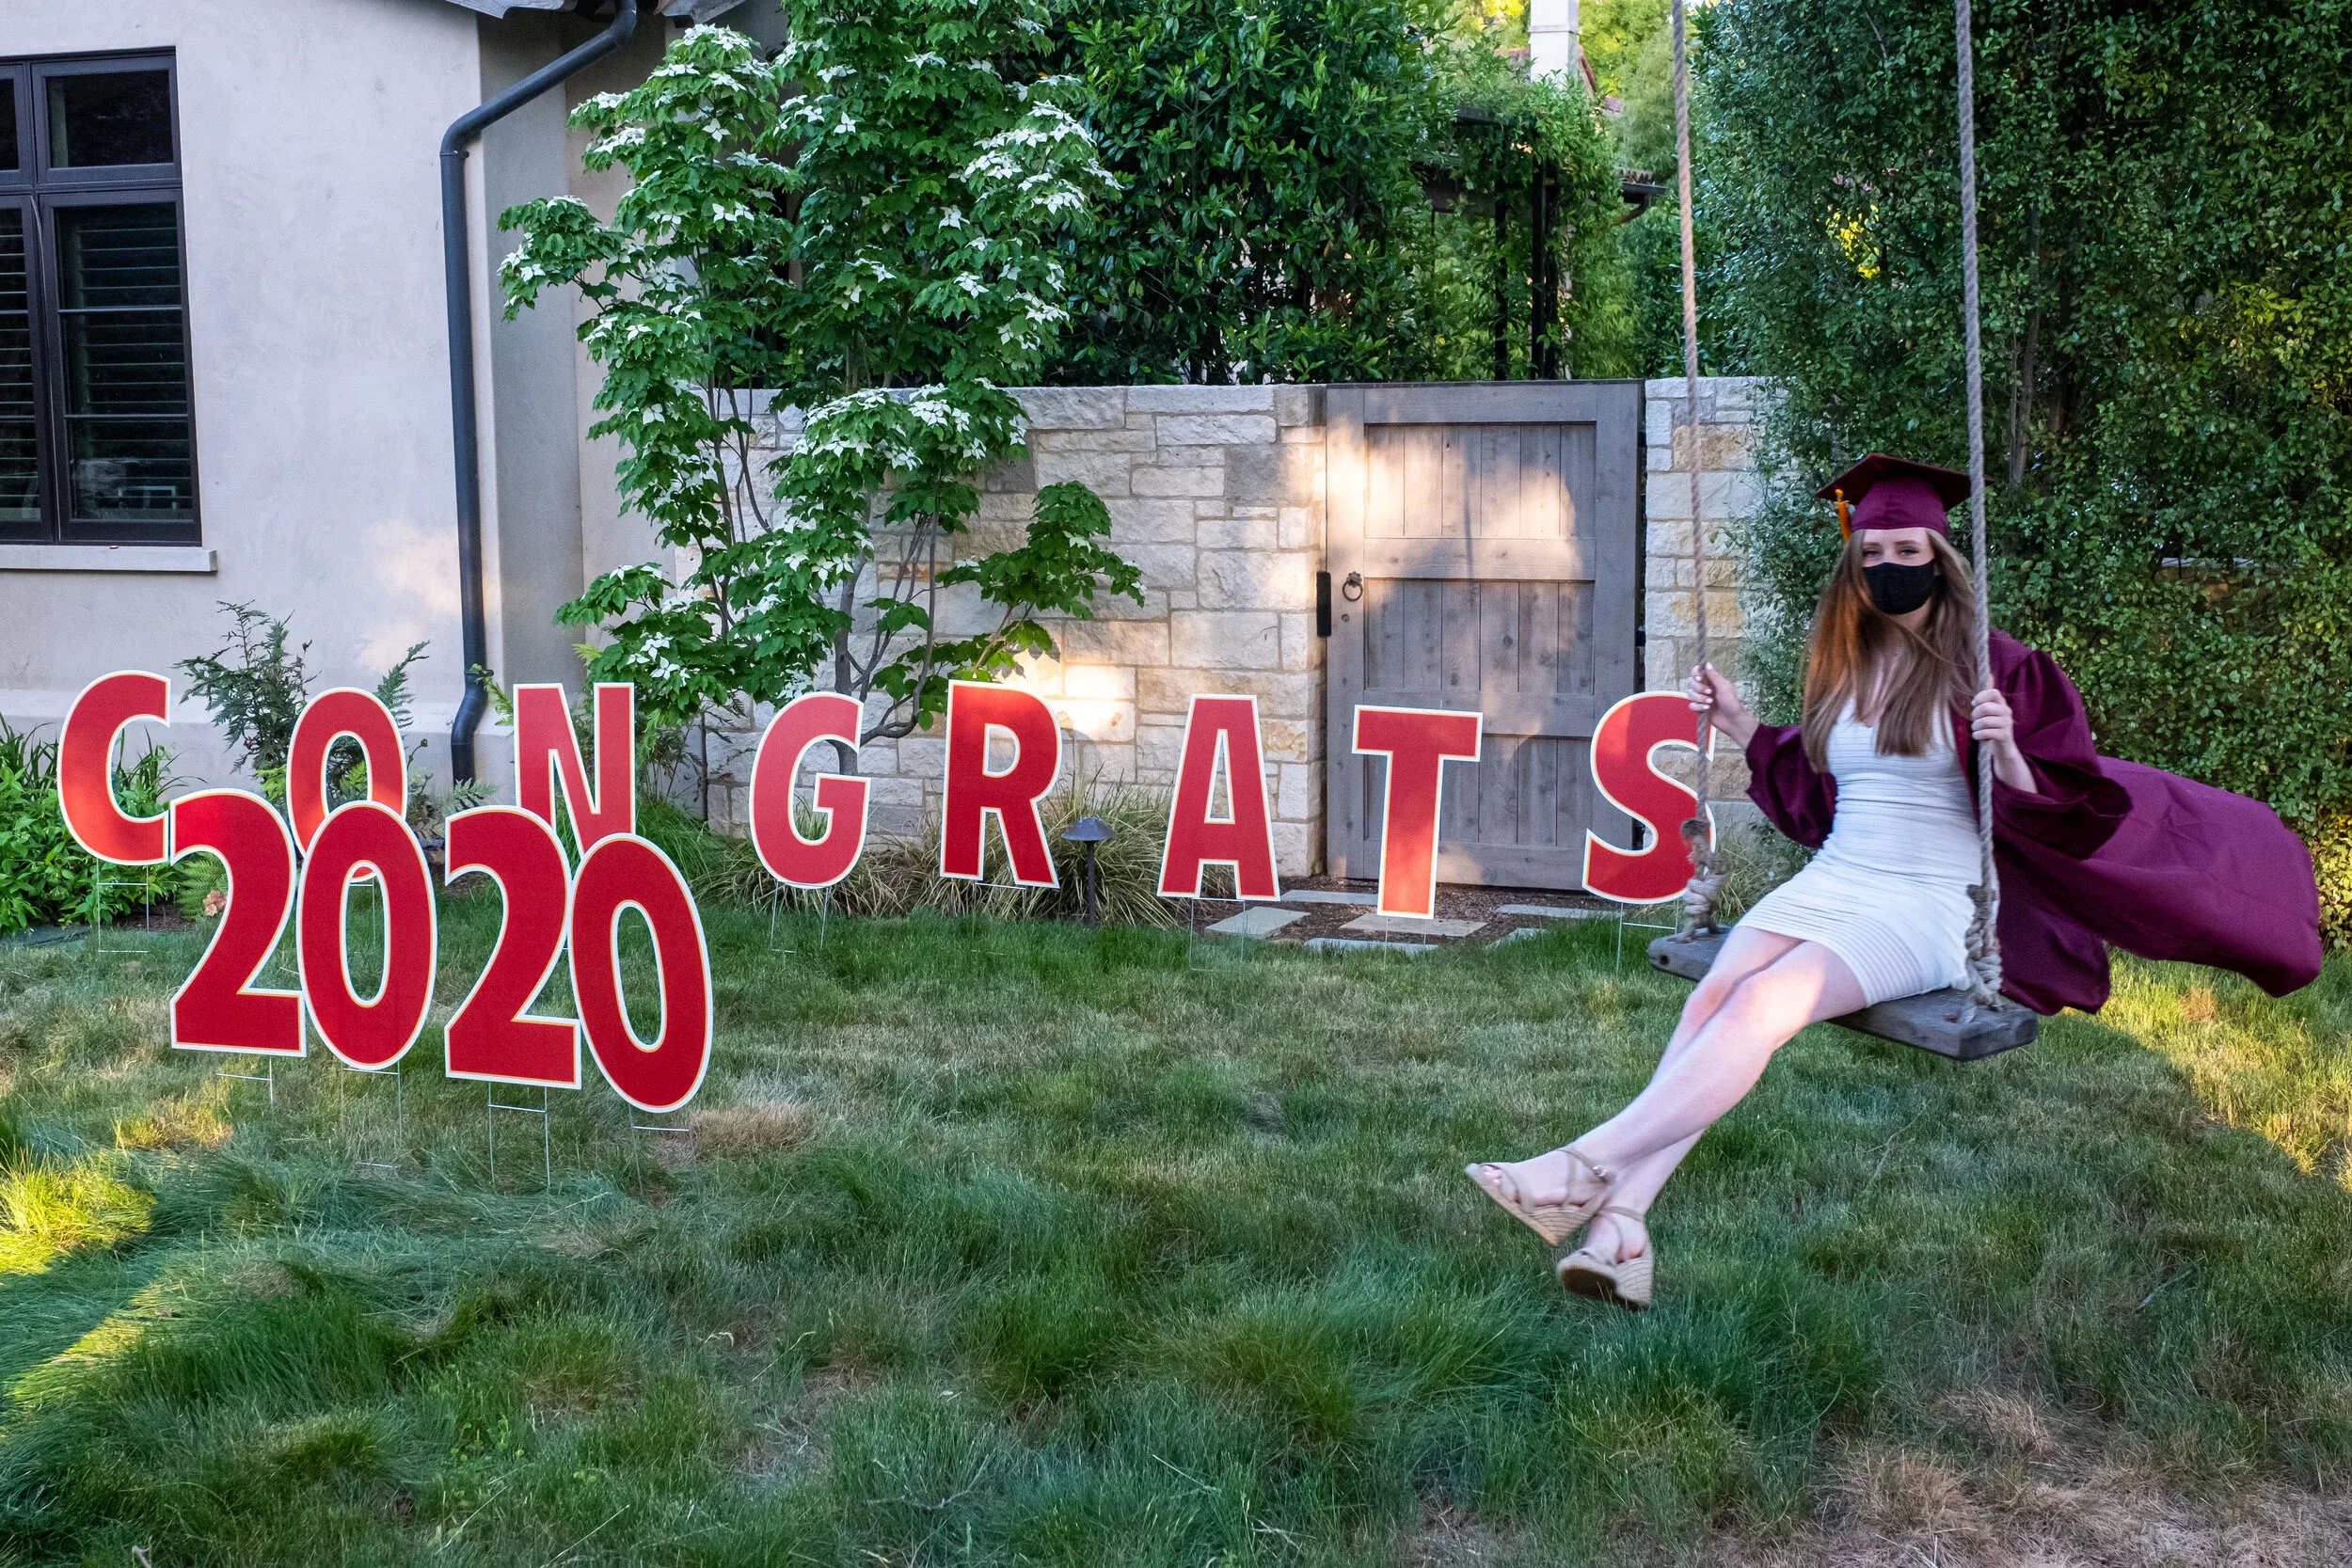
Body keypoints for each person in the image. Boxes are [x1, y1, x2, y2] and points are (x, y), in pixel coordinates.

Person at [1466, 453, 2324, 1310]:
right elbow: (1819, 798)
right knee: (1714, 998)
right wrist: (1737, 724)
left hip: (1928, 899)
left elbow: (2067, 810)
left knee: (1771, 1002)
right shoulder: (1845, 661)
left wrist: (2010, 752)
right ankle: (1622, 1231)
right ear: (1855, 562)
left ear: (1942, 562)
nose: (1891, 566)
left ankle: (1582, 1167)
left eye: (1910, 552)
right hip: (1837, 875)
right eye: (1875, 551)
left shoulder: (1996, 670)